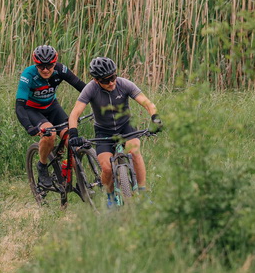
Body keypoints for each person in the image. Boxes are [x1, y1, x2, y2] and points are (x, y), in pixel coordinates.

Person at [67, 57, 162, 207]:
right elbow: (74, 114)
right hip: (103, 131)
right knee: (106, 168)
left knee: (135, 153)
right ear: (96, 80)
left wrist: (156, 119)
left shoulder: (124, 84)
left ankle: (143, 193)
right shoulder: (90, 89)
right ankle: (110, 198)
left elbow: (148, 104)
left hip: (126, 126)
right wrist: (73, 134)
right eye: (106, 80)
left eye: (113, 77)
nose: (111, 83)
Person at [15, 45, 87, 187]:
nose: (46, 70)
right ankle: (42, 166)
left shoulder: (61, 70)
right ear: (35, 64)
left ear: (55, 63)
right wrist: (28, 126)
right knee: (50, 134)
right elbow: (19, 106)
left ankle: (78, 180)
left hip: (52, 107)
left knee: (72, 142)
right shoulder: (28, 75)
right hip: (33, 109)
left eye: (49, 66)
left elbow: (83, 88)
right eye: (41, 66)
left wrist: (101, 100)